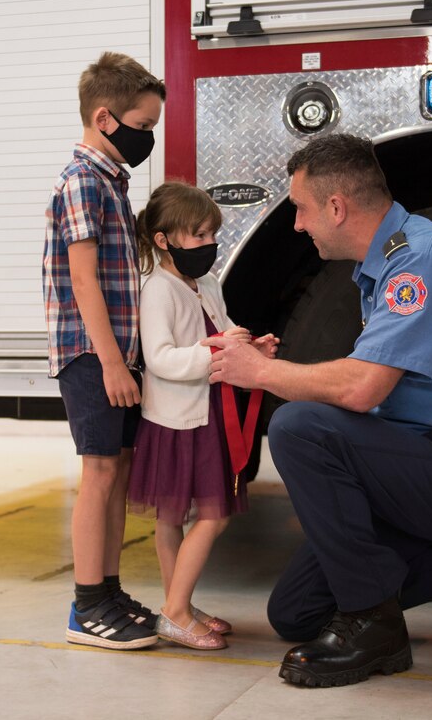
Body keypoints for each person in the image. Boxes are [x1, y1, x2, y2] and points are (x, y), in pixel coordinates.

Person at [204, 134, 432, 687]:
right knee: (296, 615)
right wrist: (276, 364)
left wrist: (261, 374)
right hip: (414, 468)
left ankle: (373, 626)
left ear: (337, 208)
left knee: (298, 426)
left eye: (301, 209)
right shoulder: (384, 265)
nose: (297, 225)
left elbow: (362, 391)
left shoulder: (422, 261)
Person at [43, 52, 165, 650]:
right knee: (98, 471)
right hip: (93, 354)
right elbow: (84, 282)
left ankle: (108, 590)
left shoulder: (111, 181)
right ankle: (86, 605)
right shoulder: (80, 183)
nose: (147, 137)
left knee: (117, 470)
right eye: (142, 126)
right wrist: (114, 362)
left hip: (117, 352)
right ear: (104, 116)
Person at [129, 182, 280, 650]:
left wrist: (247, 347)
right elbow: (160, 359)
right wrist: (213, 359)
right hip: (175, 422)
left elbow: (218, 330)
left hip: (207, 412)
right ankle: (174, 613)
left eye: (211, 233)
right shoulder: (157, 290)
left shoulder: (207, 283)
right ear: (164, 240)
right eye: (197, 235)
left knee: (179, 516)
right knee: (206, 515)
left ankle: (181, 604)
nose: (208, 244)